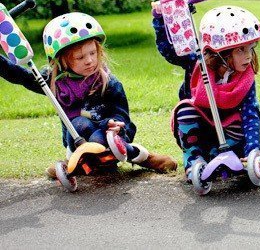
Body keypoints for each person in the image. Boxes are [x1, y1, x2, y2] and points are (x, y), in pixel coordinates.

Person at [0, 12, 177, 177]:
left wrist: (118, 127)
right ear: (62, 60)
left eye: (93, 53)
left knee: (103, 137)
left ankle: (143, 157)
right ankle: (77, 162)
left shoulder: (109, 83)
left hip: (109, 138)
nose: (90, 61)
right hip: (78, 139)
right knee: (79, 123)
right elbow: (19, 75)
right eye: (80, 57)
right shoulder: (55, 82)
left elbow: (123, 116)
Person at [152, 5, 260, 180]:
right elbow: (170, 50)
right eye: (240, 50)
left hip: (230, 133)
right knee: (185, 110)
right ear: (221, 52)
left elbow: (251, 114)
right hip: (200, 129)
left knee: (242, 119)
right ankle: (195, 160)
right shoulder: (197, 63)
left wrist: (253, 149)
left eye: (251, 48)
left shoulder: (245, 78)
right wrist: (160, 19)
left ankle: (222, 155)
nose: (249, 56)